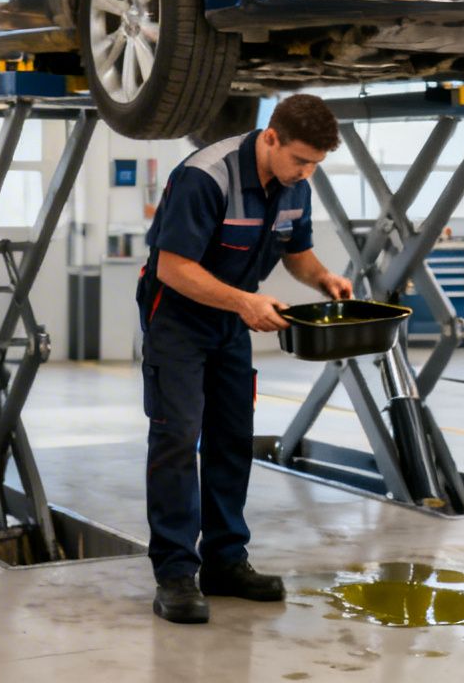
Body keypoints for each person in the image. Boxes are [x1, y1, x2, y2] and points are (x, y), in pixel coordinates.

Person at [137, 93, 352, 623]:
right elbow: (173, 268)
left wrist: (322, 277)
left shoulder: (296, 183)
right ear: (271, 137)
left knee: (232, 439)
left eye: (316, 165)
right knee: (178, 438)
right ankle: (175, 575)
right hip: (178, 321)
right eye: (300, 160)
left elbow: (295, 251)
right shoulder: (206, 177)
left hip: (231, 321)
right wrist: (244, 301)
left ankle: (225, 562)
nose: (306, 173)